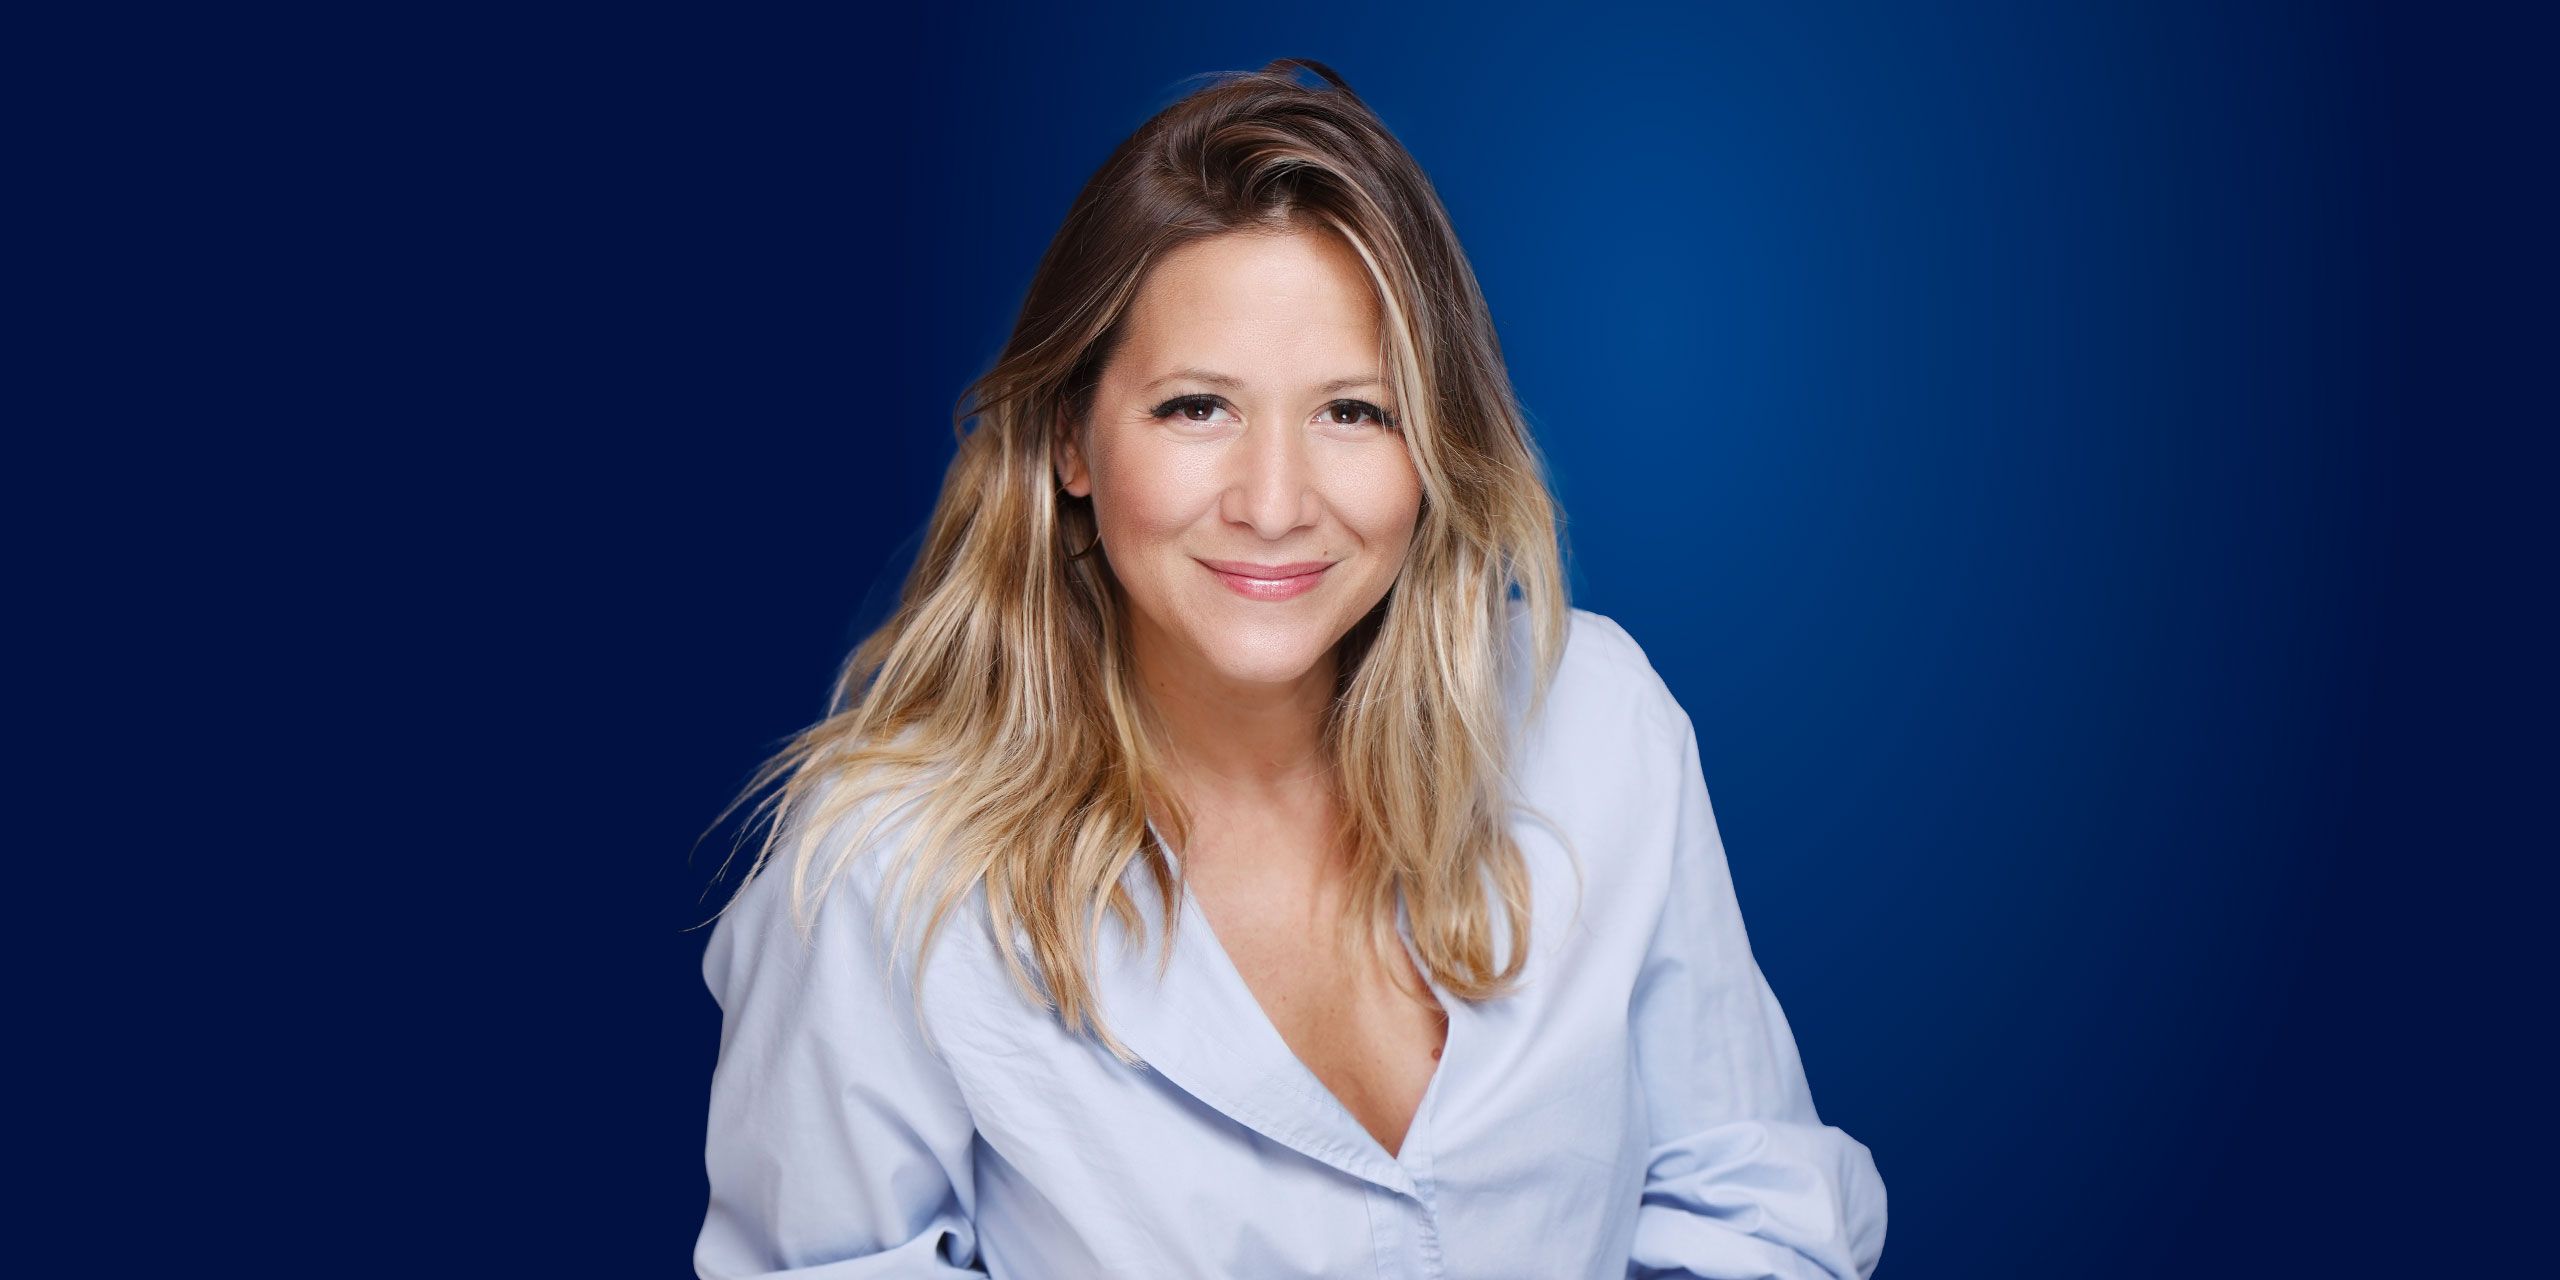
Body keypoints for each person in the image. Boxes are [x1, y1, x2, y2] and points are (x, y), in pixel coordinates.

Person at [692, 58, 1886, 1279]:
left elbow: (1757, 1217)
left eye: (1353, 411)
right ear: (1070, 439)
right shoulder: (884, 875)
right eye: (1196, 407)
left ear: (1436, 444)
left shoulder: (1595, 722)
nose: (1273, 504)